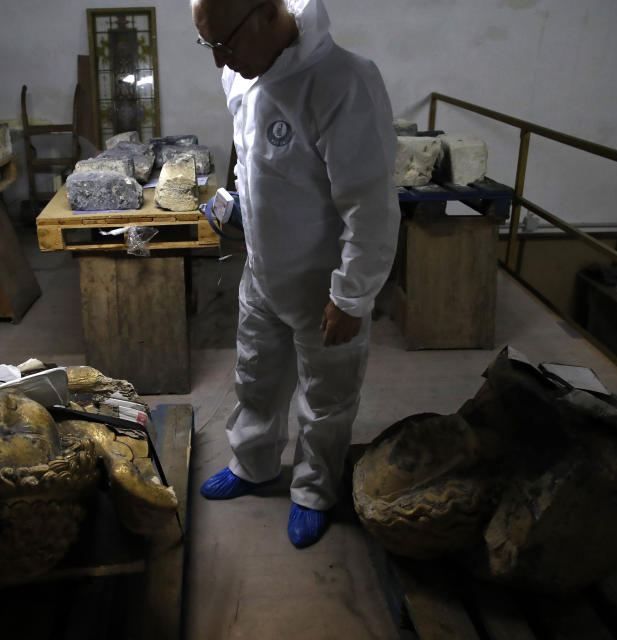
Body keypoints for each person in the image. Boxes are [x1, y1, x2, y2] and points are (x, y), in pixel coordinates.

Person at [191, 0, 400, 547]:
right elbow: (254, 156)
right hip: (263, 269)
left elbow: (371, 206)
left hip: (321, 280)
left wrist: (352, 296)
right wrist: (238, 202)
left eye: (226, 44)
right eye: (209, 46)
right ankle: (253, 464)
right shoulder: (243, 70)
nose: (221, 60)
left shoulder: (342, 82)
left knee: (325, 397)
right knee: (256, 375)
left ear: (266, 12)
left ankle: (313, 490)